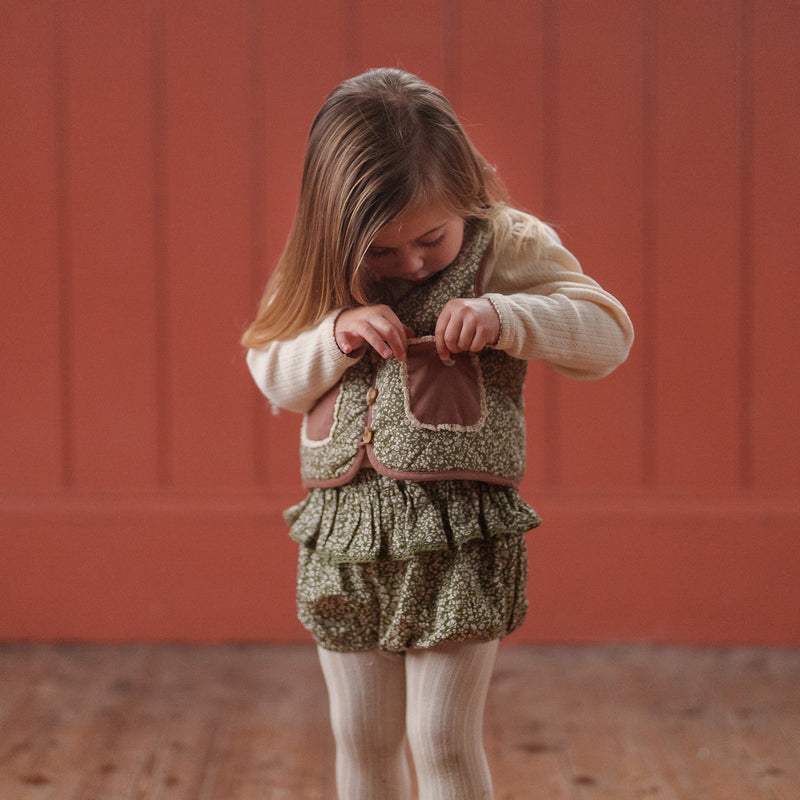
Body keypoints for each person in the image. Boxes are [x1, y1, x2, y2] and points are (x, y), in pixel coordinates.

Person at [242, 68, 633, 800]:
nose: (410, 265)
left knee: (442, 738)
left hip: (458, 532)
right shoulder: (323, 265)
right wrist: (332, 334)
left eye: (429, 239)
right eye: (382, 254)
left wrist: (512, 318)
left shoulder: (506, 245)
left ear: (467, 194)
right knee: (362, 737)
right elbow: (273, 373)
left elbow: (608, 337)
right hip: (345, 537)